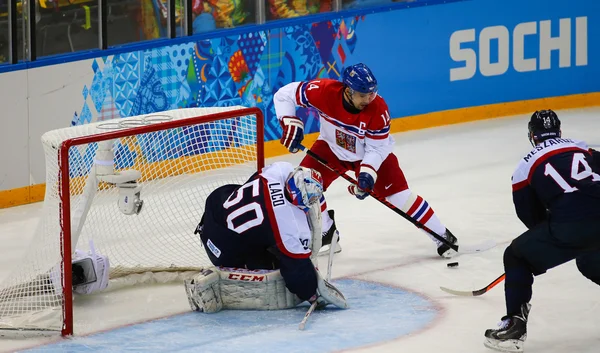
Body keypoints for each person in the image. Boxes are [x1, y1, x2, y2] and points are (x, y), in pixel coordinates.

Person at [273, 62, 458, 258]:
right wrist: (288, 120)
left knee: (399, 196)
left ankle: (442, 235)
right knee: (303, 184)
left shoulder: (378, 108)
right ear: (348, 91)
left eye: (371, 93)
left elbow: (376, 148)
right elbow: (284, 94)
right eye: (363, 95)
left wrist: (367, 174)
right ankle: (327, 234)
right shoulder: (323, 91)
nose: (369, 99)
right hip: (331, 148)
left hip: (370, 154)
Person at [484, 110, 600, 352]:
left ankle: (514, 326)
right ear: (559, 132)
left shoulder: (525, 163)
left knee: (516, 255)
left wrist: (550, 238)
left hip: (571, 224)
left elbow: (530, 216)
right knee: (590, 261)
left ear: (532, 135)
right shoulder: (583, 149)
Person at [184, 162, 347, 313]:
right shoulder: (288, 225)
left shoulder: (281, 170)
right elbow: (297, 270)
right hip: (221, 247)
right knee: (273, 263)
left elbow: (254, 182)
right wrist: (313, 293)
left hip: (214, 208)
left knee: (258, 217)